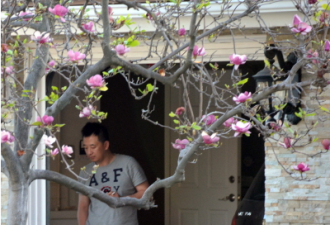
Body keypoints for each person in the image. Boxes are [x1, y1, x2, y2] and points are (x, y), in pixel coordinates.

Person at [77, 122, 149, 225]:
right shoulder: (85, 171)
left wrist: (121, 200)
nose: (89, 152)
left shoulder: (128, 163)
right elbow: (83, 207)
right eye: (86, 147)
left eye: (93, 147)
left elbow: (146, 193)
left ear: (105, 145)